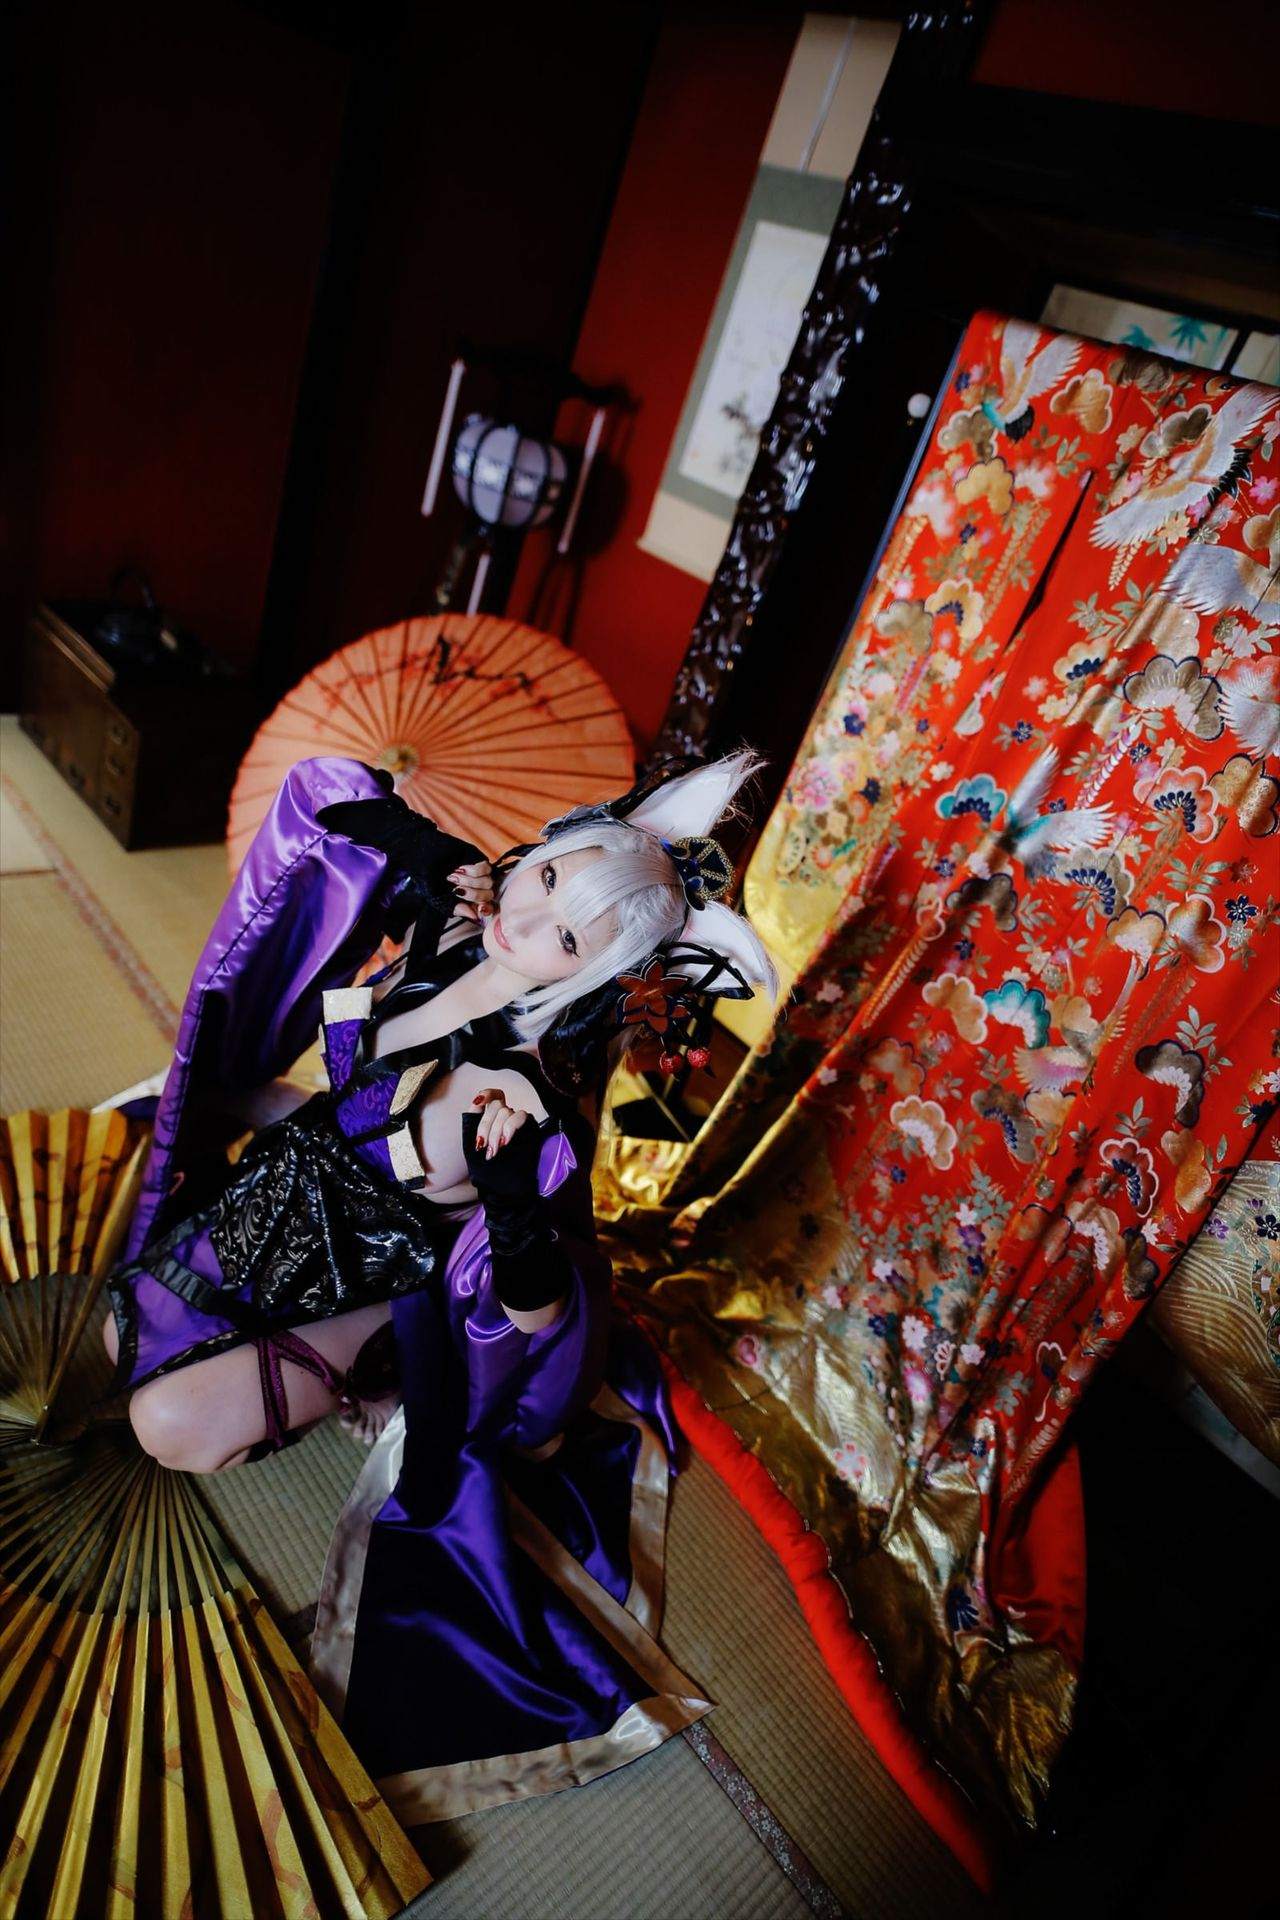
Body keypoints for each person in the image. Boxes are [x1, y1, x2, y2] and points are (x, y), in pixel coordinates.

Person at [99, 747, 779, 1819]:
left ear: (594, 974)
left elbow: (534, 1310)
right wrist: (411, 845)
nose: (530, 917)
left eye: (568, 938)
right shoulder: (457, 927)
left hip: (366, 1286)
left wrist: (511, 1204)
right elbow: (325, 816)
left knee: (166, 1426)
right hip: (278, 1192)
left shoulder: (521, 1104)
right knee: (113, 1334)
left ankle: (365, 1376)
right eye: (545, 877)